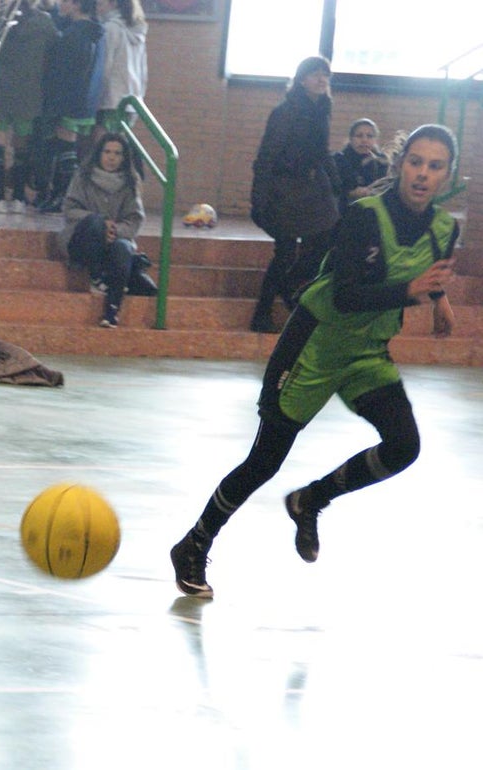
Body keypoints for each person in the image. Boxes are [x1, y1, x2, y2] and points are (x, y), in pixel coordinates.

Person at [170, 124, 460, 600]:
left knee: (404, 446)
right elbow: (346, 297)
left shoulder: (446, 229)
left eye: (434, 166)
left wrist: (440, 298)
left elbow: (427, 270)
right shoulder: (364, 216)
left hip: (367, 353)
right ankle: (194, 543)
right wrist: (410, 292)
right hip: (315, 345)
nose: (422, 174)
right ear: (399, 164)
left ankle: (311, 499)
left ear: (448, 175)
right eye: (415, 162)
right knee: (264, 461)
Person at [248, 55, 341, 333]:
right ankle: (263, 312)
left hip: (311, 189)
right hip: (284, 190)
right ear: (302, 80)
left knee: (325, 239)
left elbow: (322, 153)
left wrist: (338, 184)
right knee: (286, 252)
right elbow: (266, 157)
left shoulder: (321, 110)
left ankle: (291, 291)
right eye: (315, 74)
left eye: (325, 74)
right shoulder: (286, 111)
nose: (322, 79)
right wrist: (259, 197)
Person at [59, 131, 153, 328]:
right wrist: (102, 223)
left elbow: (135, 219)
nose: (111, 157)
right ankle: (95, 276)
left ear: (124, 157)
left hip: (115, 240)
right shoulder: (83, 176)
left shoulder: (130, 182)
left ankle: (111, 312)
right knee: (95, 222)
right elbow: (69, 209)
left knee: (123, 249)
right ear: (99, 153)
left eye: (117, 153)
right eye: (107, 152)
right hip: (83, 238)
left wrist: (114, 230)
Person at [29, 0, 104, 214]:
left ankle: (63, 197)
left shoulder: (76, 35)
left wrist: (56, 102)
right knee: (64, 147)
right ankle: (57, 195)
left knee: (65, 148)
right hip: (83, 100)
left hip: (69, 101)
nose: (60, 3)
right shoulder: (92, 32)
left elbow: (66, 73)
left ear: (77, 4)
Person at [0, 0, 58, 212]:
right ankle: (18, 197)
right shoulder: (45, 23)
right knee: (22, 147)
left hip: (0, 90)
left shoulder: (0, 22)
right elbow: (54, 52)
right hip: (29, 94)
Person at [89, 0, 146, 136]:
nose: (96, 9)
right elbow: (143, 70)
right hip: (132, 100)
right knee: (119, 148)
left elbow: (104, 67)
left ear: (113, 3)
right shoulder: (137, 31)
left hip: (110, 100)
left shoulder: (110, 28)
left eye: (99, 4)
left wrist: (95, 98)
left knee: (103, 147)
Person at [334, 117, 390, 204]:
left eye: (370, 136)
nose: (364, 140)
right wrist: (350, 193)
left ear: (375, 139)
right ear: (351, 139)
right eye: (359, 136)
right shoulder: (339, 160)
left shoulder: (382, 161)